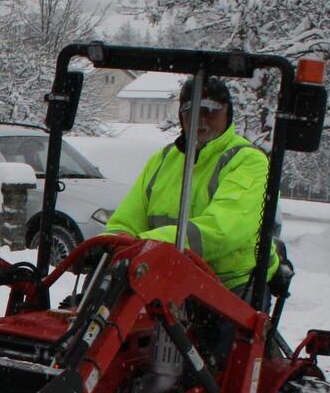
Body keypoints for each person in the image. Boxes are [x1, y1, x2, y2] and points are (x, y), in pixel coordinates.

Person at [103, 76, 277, 291]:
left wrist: (144, 244)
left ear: (228, 113)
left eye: (210, 110)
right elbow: (127, 220)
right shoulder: (164, 159)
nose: (200, 119)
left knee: (211, 325)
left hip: (229, 284)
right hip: (166, 273)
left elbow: (223, 230)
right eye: (190, 110)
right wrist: (112, 242)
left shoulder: (248, 160)